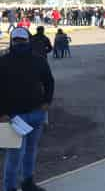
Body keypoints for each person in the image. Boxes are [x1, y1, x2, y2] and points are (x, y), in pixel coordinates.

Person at [0, 27, 55, 191]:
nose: (19, 43)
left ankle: (27, 182)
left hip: (36, 113)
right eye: (16, 40)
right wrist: (1, 114)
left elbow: (49, 82)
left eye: (22, 40)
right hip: (10, 118)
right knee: (13, 156)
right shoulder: (2, 62)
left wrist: (47, 102)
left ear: (28, 41)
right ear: (12, 41)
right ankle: (9, 187)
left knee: (31, 151)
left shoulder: (39, 60)